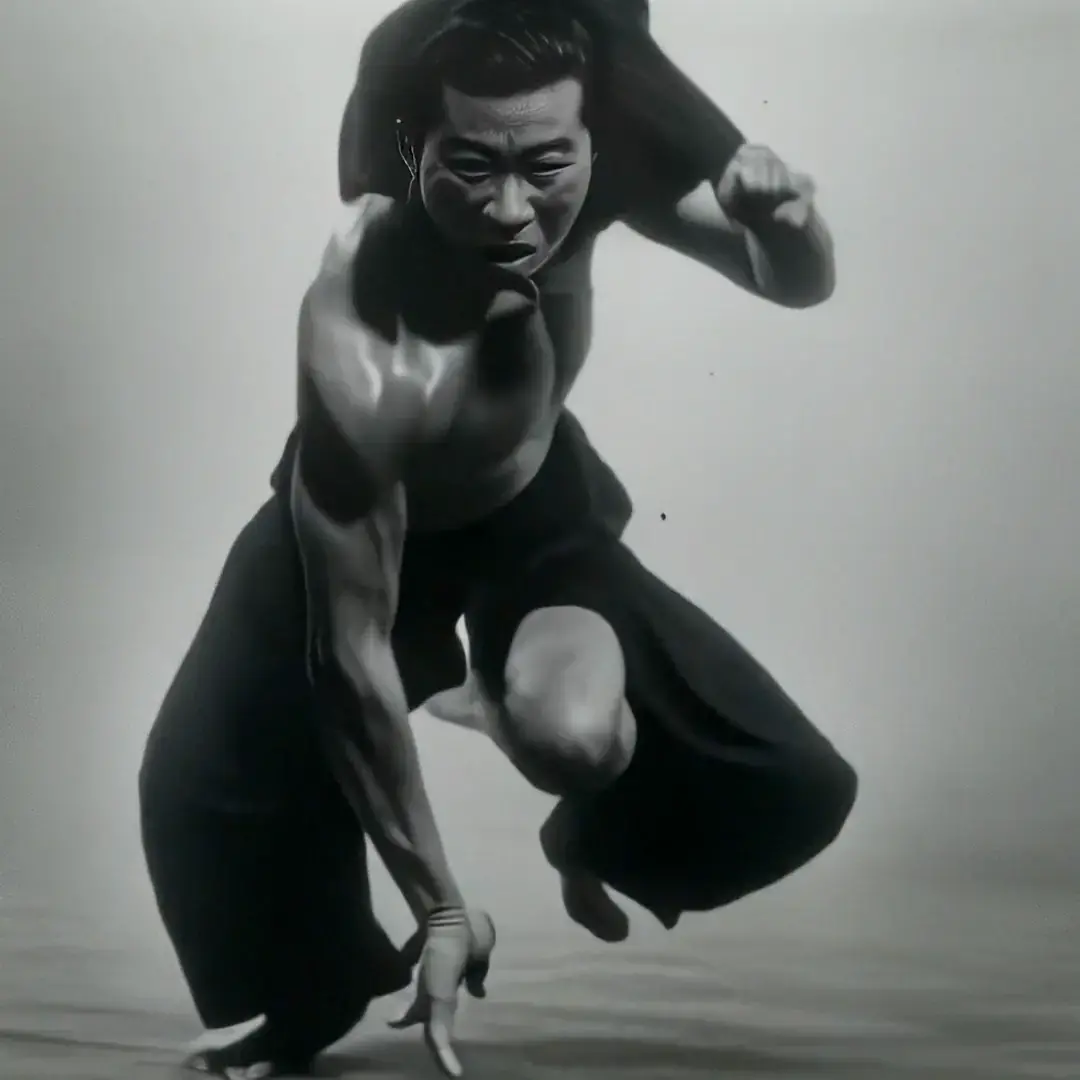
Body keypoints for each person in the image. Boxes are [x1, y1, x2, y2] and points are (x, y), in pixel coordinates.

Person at [138, 2, 855, 1077]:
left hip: (534, 510)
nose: (516, 210)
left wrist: (788, 220)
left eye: (546, 166)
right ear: (412, 149)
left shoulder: (592, 178)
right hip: (389, 527)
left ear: (589, 145)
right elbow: (349, 656)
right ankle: (308, 985)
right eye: (470, 167)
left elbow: (788, 283)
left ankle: (528, 755)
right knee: (196, 787)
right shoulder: (363, 347)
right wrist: (438, 907)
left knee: (716, 769)